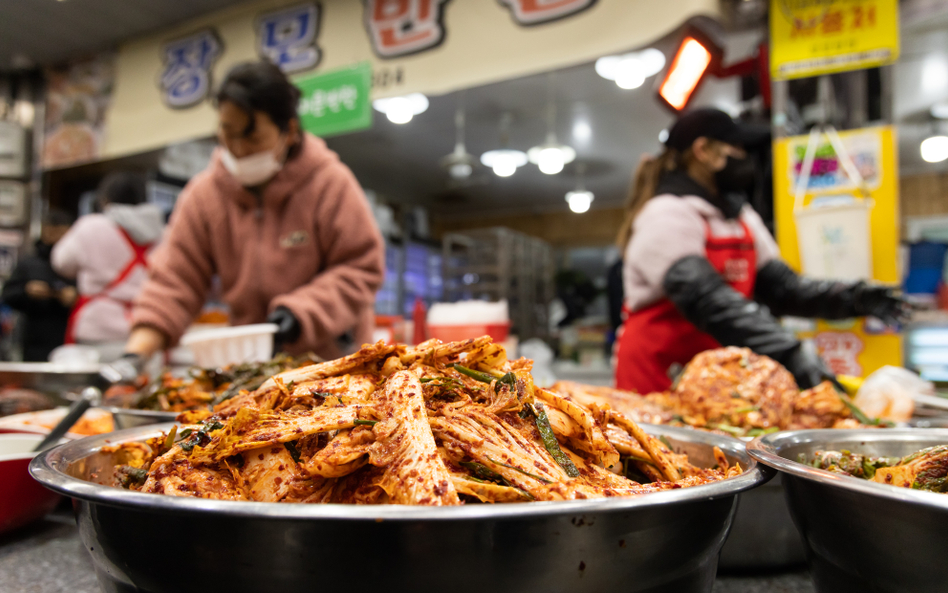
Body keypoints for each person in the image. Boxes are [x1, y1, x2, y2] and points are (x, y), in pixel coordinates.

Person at [614, 108, 908, 394]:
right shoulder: (665, 213)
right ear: (704, 151)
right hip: (658, 371)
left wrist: (855, 297)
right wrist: (790, 352)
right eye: (738, 148)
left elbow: (783, 288)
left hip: (710, 373)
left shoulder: (740, 215)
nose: (745, 158)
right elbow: (705, 297)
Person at [121, 60, 384, 367]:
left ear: (290, 131)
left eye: (252, 138)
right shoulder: (204, 195)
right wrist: (134, 354)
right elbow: (174, 279)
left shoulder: (330, 183)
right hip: (248, 370)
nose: (238, 149)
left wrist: (298, 315)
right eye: (228, 133)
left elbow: (361, 268)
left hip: (330, 367)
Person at [51, 172, 164, 360]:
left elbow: (61, 263)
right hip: (146, 331)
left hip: (96, 330)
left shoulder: (91, 226)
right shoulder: (164, 234)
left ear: (105, 199)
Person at [2, 210, 76, 361]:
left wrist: (74, 297)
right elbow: (7, 295)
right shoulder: (29, 263)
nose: (57, 239)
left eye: (62, 234)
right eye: (53, 233)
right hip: (34, 340)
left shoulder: (78, 265)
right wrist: (27, 291)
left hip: (70, 339)